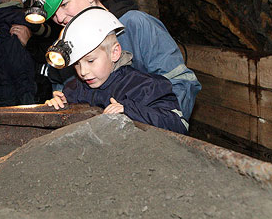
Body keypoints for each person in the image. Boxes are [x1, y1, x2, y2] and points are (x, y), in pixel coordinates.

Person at [26, 0, 201, 133]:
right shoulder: (66, 41)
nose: (59, 18)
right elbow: (69, 92)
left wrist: (160, 128)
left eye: (64, 4)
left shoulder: (135, 25)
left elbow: (180, 83)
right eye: (53, 13)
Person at [45, 7, 188, 134]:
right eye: (76, 64)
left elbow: (178, 124)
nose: (83, 71)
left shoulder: (145, 86)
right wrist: (60, 107)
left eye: (90, 61)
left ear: (114, 52)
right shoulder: (74, 89)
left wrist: (129, 111)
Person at [0, 0, 52, 106]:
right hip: (24, 77)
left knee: (6, 109)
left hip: (1, 81)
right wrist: (43, 30)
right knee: (28, 106)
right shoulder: (22, 16)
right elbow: (44, 30)